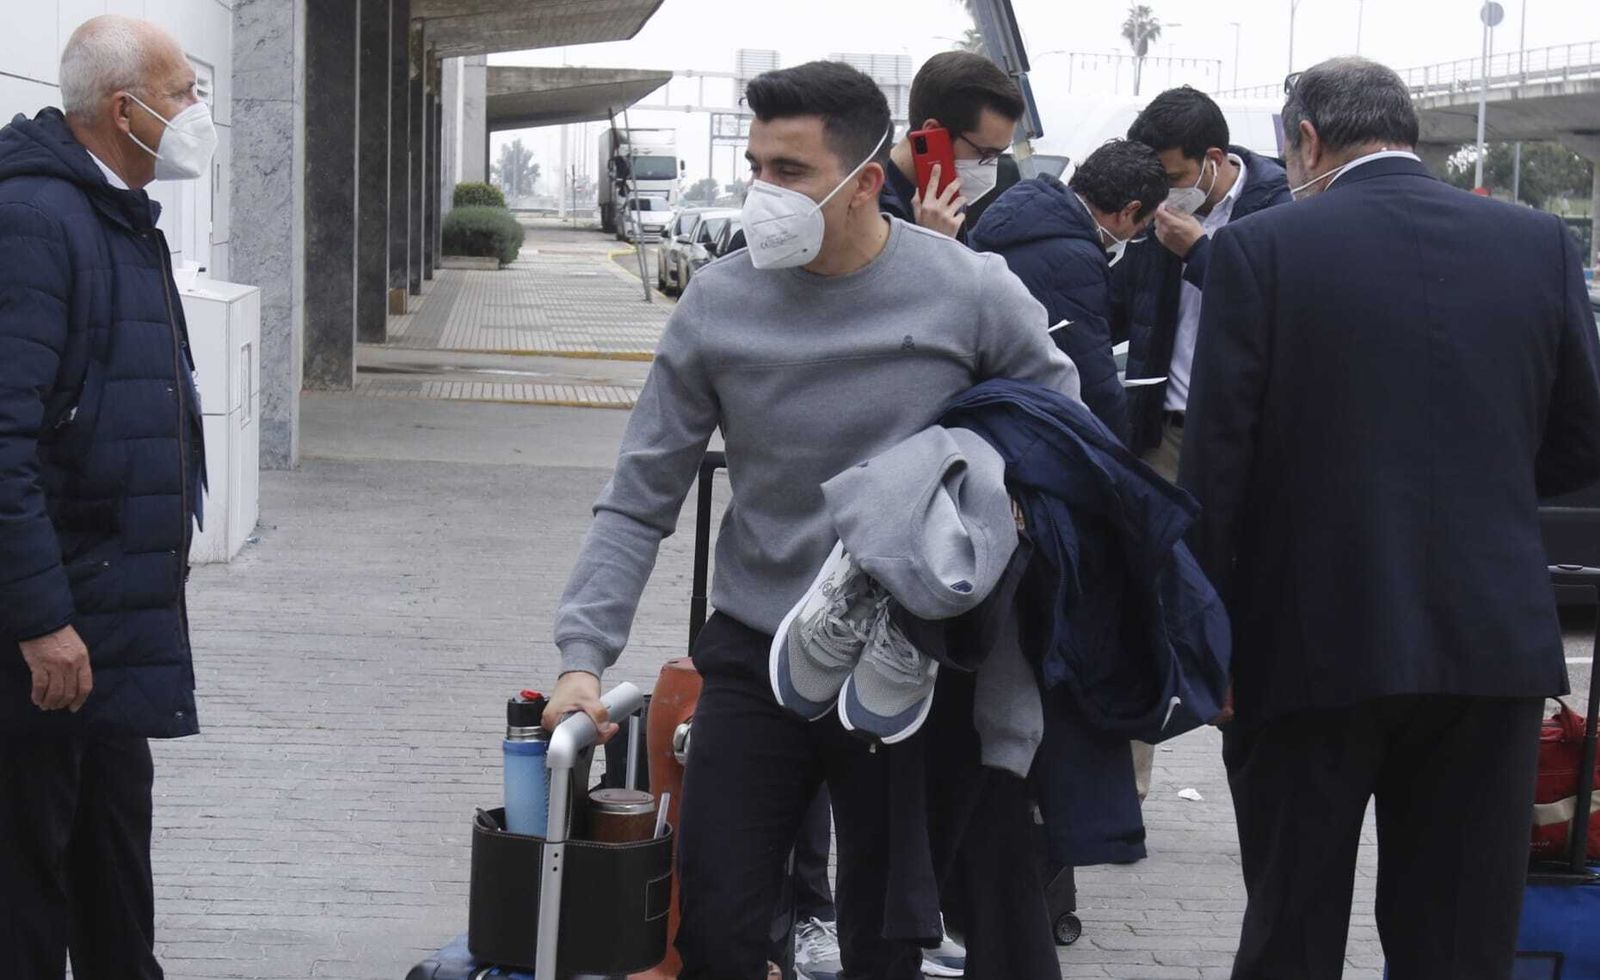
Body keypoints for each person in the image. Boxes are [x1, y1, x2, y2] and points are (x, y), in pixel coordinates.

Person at [543, 60, 1080, 980]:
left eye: (790, 171)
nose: (765, 192)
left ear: (865, 181)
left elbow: (1061, 439)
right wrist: (581, 658)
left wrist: (984, 523)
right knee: (717, 924)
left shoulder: (969, 290)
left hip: (903, 665)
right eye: (756, 167)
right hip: (757, 648)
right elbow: (640, 495)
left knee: (885, 940)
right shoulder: (719, 301)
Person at [1180, 57, 1600, 980]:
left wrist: (1207, 637)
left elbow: (1217, 464)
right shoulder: (1536, 242)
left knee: (1291, 923)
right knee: (1458, 940)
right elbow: (1582, 437)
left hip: (1305, 639)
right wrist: (1483, 489)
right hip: (1488, 642)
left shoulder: (1262, 248)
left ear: (1308, 141)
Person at [0, 15, 213, 980]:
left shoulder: (117, 214)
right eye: (182, 93)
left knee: (114, 884)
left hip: (112, 625)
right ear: (124, 111)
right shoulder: (37, 223)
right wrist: (42, 620)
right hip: (50, 641)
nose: (196, 110)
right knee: (27, 894)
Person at [1119, 86, 1292, 477]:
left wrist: (1199, 253)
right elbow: (1125, 303)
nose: (1166, 192)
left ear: (1213, 159)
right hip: (1163, 430)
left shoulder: (1279, 208)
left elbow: (1273, 310)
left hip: (1243, 435)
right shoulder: (1159, 212)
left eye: (1174, 177)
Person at [971, 138, 1169, 443]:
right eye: (1140, 227)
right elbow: (1092, 380)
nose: (1134, 236)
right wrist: (1119, 454)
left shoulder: (1019, 211)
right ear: (1129, 210)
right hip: (1021, 425)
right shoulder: (1076, 259)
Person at [880, 50, 1024, 240]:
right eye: (984, 154)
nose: (991, 167)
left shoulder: (945, 197)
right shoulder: (868, 206)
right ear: (933, 133)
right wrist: (934, 242)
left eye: (999, 154)